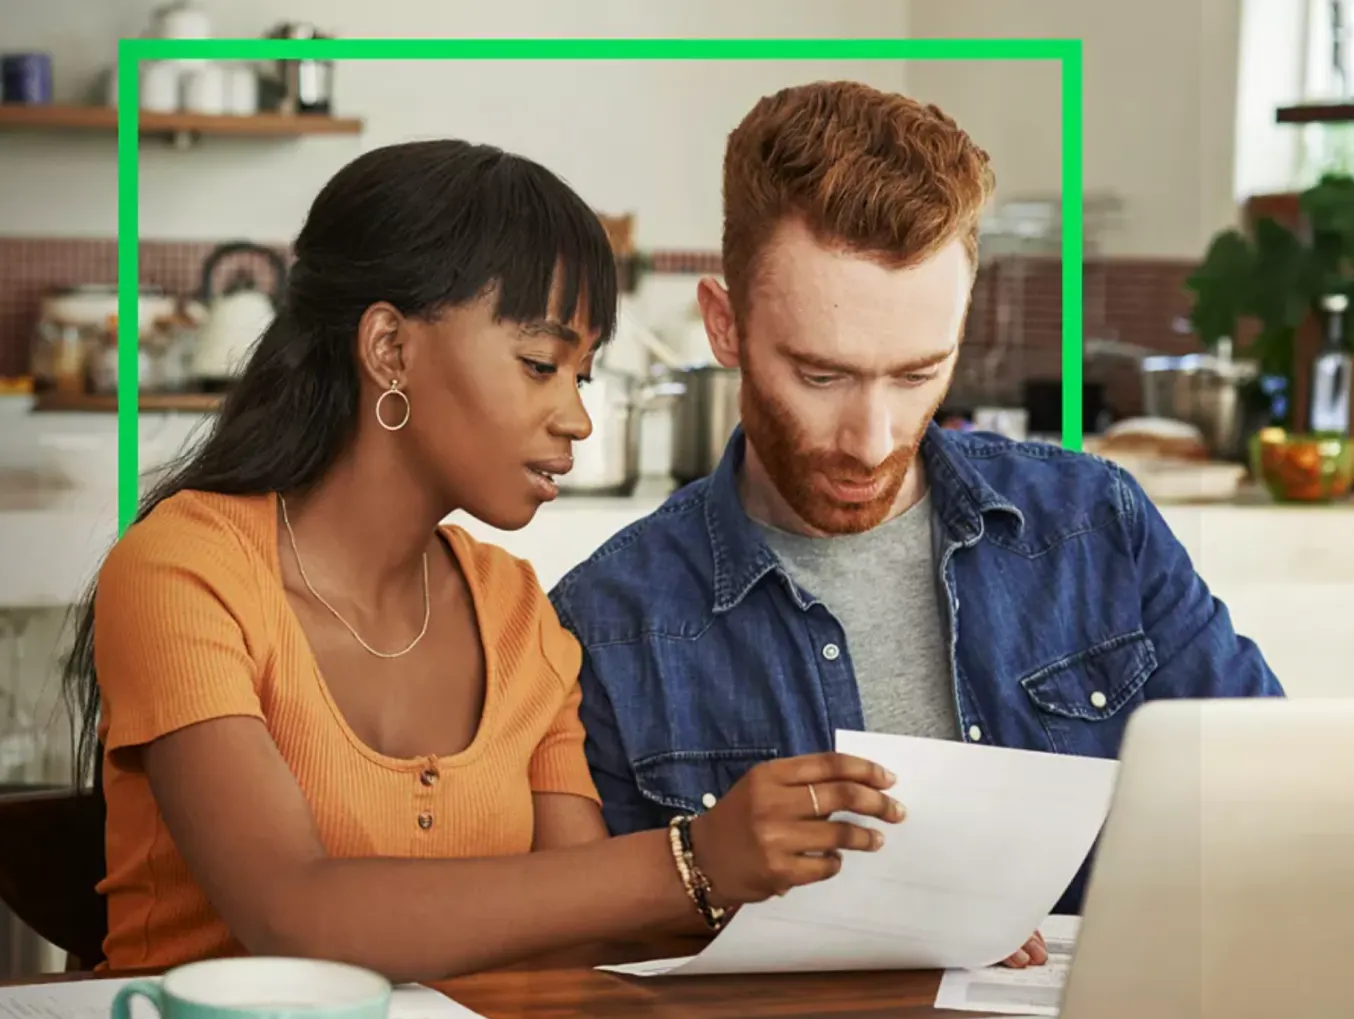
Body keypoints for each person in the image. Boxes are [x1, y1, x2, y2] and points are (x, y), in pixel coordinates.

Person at [60, 139, 924, 983]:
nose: (577, 419)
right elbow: (291, 915)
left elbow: (581, 932)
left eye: (581, 376)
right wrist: (694, 859)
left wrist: (906, 921)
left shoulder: (517, 612)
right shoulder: (186, 571)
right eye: (541, 363)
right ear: (390, 349)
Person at [548, 81, 1285, 922]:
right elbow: (595, 960)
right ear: (724, 324)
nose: (872, 437)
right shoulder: (605, 624)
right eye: (821, 375)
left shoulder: (1095, 525)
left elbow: (1269, 799)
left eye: (917, 373)